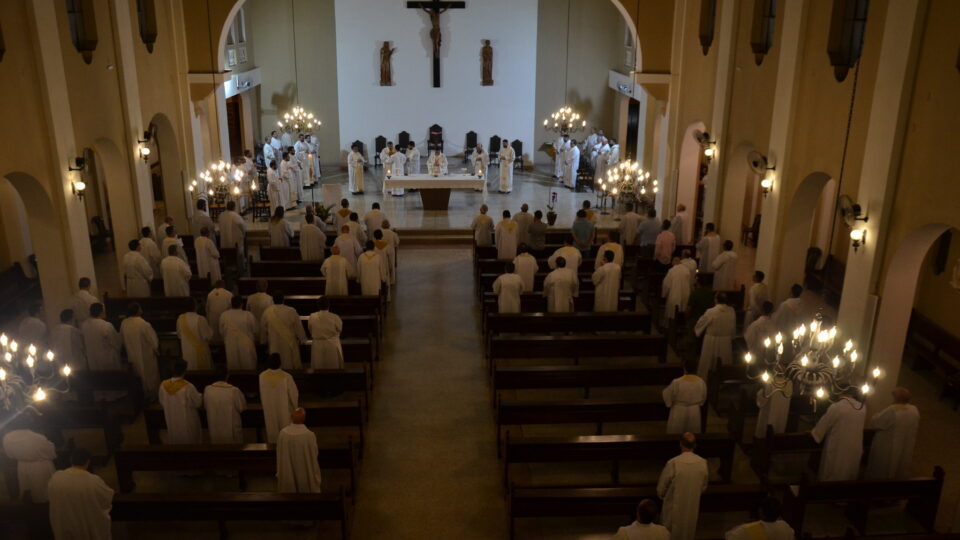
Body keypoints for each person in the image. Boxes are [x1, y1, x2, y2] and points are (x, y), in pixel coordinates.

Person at [47, 448, 114, 539]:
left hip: (65, 521)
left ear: (71, 460)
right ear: (88, 462)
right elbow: (107, 497)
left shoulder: (56, 477)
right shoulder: (93, 481)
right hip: (86, 521)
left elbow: (50, 496)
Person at [656, 433, 708, 540]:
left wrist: (663, 496)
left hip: (673, 507)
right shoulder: (703, 463)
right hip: (692, 506)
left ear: (680, 444)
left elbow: (661, 488)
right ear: (695, 446)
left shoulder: (674, 463)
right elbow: (703, 487)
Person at [810, 387, 866, 481]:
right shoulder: (862, 407)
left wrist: (815, 432)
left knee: (833, 474)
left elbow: (822, 427)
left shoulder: (836, 407)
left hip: (838, 448)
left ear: (839, 392)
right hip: (854, 449)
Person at [866, 387, 920, 479]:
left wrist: (875, 415)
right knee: (900, 464)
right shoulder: (914, 410)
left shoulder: (892, 411)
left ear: (897, 398)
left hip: (888, 445)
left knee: (884, 469)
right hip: (905, 444)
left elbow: (876, 422)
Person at [2, 416, 56, 502]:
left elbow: (9, 454)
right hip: (40, 465)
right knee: (43, 494)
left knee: (27, 493)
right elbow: (51, 453)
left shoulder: (7, 437)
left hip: (22, 465)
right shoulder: (37, 437)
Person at [276, 408, 322, 493]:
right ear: (304, 418)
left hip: (288, 472)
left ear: (291, 417)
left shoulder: (282, 434)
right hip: (305, 471)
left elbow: (279, 453)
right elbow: (314, 454)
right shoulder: (309, 435)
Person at [158, 360, 202, 444]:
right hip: (187, 421)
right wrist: (200, 396)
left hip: (172, 419)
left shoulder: (163, 385)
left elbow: (162, 402)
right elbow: (198, 403)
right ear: (185, 371)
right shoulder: (188, 387)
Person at [694, 292, 736, 380]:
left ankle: (706, 378)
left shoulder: (711, 311)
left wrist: (697, 331)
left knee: (708, 363)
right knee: (724, 362)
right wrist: (732, 336)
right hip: (725, 341)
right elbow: (733, 326)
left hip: (711, 341)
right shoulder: (731, 311)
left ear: (716, 300)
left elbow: (700, 324)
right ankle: (724, 380)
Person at [120, 303, 159, 396]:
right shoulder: (143, 324)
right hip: (146, 354)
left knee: (137, 372)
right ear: (138, 311)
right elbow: (153, 340)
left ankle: (140, 393)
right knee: (148, 374)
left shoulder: (124, 323)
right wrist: (156, 348)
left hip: (131, 353)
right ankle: (151, 393)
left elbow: (121, 338)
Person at [260, 292, 307, 370]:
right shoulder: (291, 311)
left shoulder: (267, 312)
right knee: (288, 364)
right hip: (288, 344)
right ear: (283, 299)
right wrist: (302, 339)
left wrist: (263, 341)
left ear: (273, 300)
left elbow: (263, 329)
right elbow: (298, 327)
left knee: (276, 367)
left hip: (274, 343)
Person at [259, 353, 299, 444]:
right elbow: (294, 394)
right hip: (284, 409)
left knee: (271, 428)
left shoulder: (262, 376)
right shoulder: (286, 376)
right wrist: (295, 408)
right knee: (285, 430)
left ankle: (273, 447)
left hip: (269, 408)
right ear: (280, 363)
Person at [203, 364, 247, 444]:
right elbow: (242, 407)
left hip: (214, 425)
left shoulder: (208, 390)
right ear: (227, 375)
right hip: (231, 427)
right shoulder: (234, 391)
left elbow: (206, 406)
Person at [663, 361, 707, 434]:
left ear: (684, 369)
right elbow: (703, 399)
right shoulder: (701, 382)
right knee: (692, 435)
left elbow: (668, 396)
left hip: (679, 410)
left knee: (676, 434)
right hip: (694, 411)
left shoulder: (677, 382)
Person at [724, 497, 795, 540]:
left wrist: (746, 525)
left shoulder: (750, 528)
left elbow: (729, 537)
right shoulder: (785, 526)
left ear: (760, 511)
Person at [220, 296, 258, 371]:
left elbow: (221, 332)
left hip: (231, 345)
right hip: (246, 346)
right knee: (248, 367)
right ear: (242, 304)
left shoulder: (224, 315)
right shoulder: (248, 315)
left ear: (231, 304)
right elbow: (255, 330)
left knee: (233, 367)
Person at [81, 303, 122, 371]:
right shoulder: (106, 325)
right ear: (101, 312)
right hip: (106, 359)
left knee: (98, 379)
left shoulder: (84, 325)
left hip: (92, 359)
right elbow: (116, 342)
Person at [176, 299, 212, 370]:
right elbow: (208, 336)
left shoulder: (180, 318)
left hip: (186, 351)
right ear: (196, 307)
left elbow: (179, 335)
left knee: (189, 371)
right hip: (200, 352)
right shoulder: (200, 319)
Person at [308, 297, 344, 370]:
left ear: (318, 305)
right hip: (332, 344)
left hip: (317, 345)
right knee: (333, 368)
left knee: (318, 368)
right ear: (329, 305)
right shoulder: (334, 317)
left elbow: (310, 329)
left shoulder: (312, 316)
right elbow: (340, 329)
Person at [755, 375, 793, 439]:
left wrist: (759, 393)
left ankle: (761, 442)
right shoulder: (789, 383)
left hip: (768, 415)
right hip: (781, 414)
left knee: (764, 433)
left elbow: (762, 400)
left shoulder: (770, 382)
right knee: (778, 428)